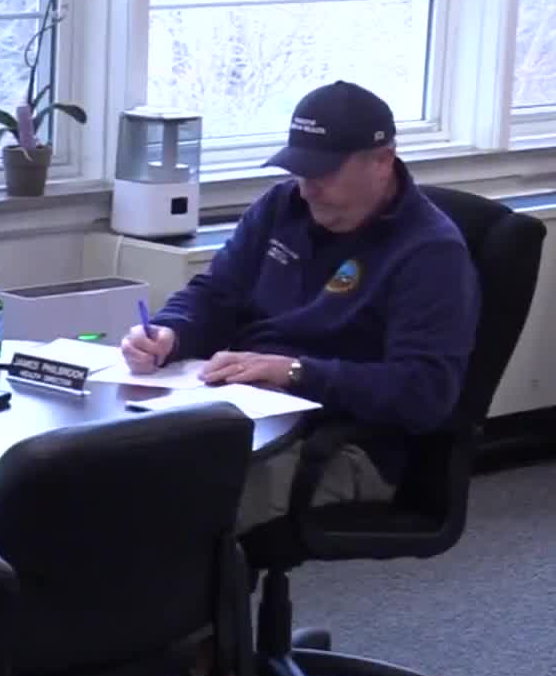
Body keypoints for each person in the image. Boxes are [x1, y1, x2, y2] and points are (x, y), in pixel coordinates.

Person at [120, 80, 479, 531]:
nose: (307, 190)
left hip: (340, 446)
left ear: (382, 161)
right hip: (243, 411)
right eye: (299, 172)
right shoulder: (282, 207)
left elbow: (423, 393)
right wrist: (170, 333)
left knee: (169, 508)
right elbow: (215, 294)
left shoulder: (430, 252)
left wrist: (294, 372)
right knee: (108, 471)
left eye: (323, 173)